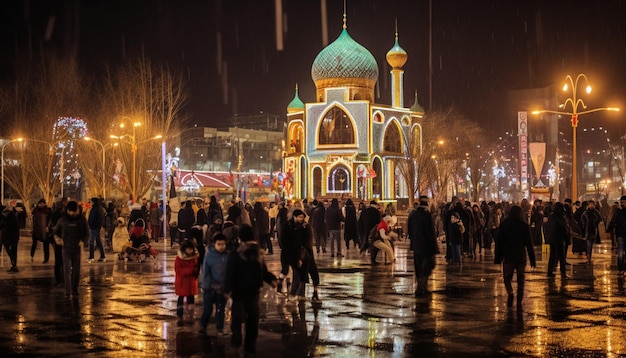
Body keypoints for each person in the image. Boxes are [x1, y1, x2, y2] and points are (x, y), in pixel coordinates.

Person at [224, 224, 277, 356]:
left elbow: (229, 272)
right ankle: (249, 346)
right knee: (252, 321)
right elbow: (263, 271)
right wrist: (271, 279)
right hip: (252, 292)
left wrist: (227, 289)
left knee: (238, 320)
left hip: (240, 292)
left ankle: (238, 342)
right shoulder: (258, 253)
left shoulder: (236, 253)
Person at [494, 205, 536, 311]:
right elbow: (529, 244)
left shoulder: (504, 224)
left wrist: (498, 257)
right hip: (520, 256)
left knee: (507, 278)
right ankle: (519, 301)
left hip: (508, 256)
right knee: (520, 280)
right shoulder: (524, 225)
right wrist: (532, 259)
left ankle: (510, 292)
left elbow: (499, 242)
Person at [53, 201, 89, 298]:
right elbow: (56, 232)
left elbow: (86, 233)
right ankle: (68, 291)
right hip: (66, 249)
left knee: (76, 270)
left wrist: (83, 241)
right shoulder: (62, 220)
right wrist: (58, 239)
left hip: (77, 248)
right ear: (67, 210)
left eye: (75, 211)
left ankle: (75, 289)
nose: (73, 213)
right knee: (67, 270)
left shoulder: (81, 220)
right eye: (71, 211)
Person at [282, 209, 320, 301]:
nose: (301, 219)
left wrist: (301, 257)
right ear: (294, 217)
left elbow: (307, 243)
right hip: (294, 254)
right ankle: (298, 294)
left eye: (302, 217)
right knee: (298, 274)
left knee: (312, 272)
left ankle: (314, 293)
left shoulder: (306, 227)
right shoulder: (289, 226)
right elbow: (285, 240)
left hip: (306, 254)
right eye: (299, 217)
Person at [407, 198, 439, 297]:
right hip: (426, 246)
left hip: (416, 246)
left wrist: (412, 241)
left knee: (418, 267)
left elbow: (409, 229)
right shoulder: (427, 215)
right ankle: (421, 287)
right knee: (427, 267)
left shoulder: (413, 215)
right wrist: (435, 247)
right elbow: (431, 232)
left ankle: (421, 286)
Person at [199, 233, 229, 336]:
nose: (221, 247)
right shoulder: (209, 256)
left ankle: (220, 328)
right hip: (210, 289)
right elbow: (205, 272)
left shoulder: (227, 256)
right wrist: (206, 286)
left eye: (223, 244)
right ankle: (203, 326)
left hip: (222, 289)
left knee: (220, 309)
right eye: (219, 244)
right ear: (214, 245)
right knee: (208, 309)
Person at [175, 239, 199, 321]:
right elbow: (178, 270)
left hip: (191, 282)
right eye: (189, 249)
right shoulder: (179, 258)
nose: (190, 250)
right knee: (181, 298)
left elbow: (196, 267)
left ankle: (190, 314)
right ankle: (179, 314)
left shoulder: (194, 257)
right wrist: (190, 270)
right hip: (182, 282)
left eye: (191, 249)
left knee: (191, 299)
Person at [545, 202, 570, 278]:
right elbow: (565, 230)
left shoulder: (551, 217)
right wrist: (567, 239)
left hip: (552, 239)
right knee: (561, 257)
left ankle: (549, 272)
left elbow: (548, 228)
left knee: (552, 256)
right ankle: (563, 273)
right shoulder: (561, 218)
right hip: (559, 239)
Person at [606, 195, 626, 275]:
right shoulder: (618, 212)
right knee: (621, 252)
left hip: (620, 234)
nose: (622, 203)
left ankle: (621, 268)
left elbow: (613, 222)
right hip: (621, 234)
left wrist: (609, 229)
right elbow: (613, 222)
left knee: (620, 252)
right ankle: (622, 268)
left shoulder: (618, 212)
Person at [581, 199, 603, 264]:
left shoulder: (596, 213)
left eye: (592, 204)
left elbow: (599, 219)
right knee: (589, 245)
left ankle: (589, 257)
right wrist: (584, 226)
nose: (591, 205)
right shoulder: (585, 213)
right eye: (590, 204)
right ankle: (588, 258)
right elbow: (582, 220)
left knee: (590, 245)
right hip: (588, 231)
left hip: (594, 230)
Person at [31, 199, 52, 263]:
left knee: (45, 245)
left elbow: (50, 220)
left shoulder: (48, 211)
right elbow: (34, 220)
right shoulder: (35, 211)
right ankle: (31, 255)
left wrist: (48, 227)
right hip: (37, 229)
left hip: (44, 230)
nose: (41, 205)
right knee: (34, 244)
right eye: (40, 204)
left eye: (42, 204)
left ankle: (46, 258)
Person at [0, 205, 20, 272]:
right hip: (9, 237)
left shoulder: (9, 215)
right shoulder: (8, 214)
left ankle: (14, 266)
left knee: (12, 251)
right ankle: (14, 265)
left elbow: (10, 225)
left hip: (11, 237)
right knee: (11, 251)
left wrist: (3, 225)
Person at [87, 198, 106, 263]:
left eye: (91, 201)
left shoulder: (94, 209)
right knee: (98, 241)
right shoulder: (100, 209)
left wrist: (90, 224)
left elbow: (91, 219)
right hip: (97, 227)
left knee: (91, 242)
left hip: (94, 227)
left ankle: (91, 257)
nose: (90, 203)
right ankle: (103, 256)